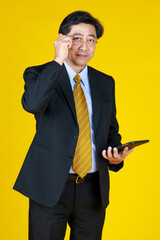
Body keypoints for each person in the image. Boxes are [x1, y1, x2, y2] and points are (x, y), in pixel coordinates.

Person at [14, 11, 134, 240]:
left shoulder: (105, 82)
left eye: (91, 40)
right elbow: (32, 104)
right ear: (62, 39)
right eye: (76, 38)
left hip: (92, 190)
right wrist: (57, 60)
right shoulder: (39, 74)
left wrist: (116, 154)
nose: (84, 46)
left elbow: (110, 130)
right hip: (50, 188)